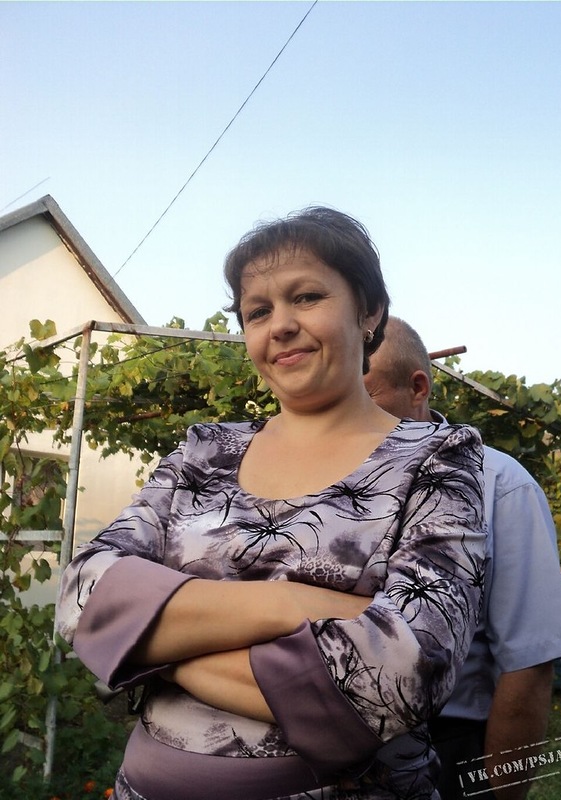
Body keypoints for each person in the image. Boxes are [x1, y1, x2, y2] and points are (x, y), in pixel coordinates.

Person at [56, 208, 487, 800]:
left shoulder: (436, 457)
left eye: (306, 297)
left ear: (368, 312)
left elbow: (402, 676)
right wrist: (292, 603)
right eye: (258, 311)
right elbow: (83, 595)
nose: (280, 325)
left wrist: (142, 643)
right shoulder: (205, 451)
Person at [364, 317, 561, 800]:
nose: (347, 413)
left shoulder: (498, 483)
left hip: (449, 750)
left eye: (365, 395)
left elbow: (528, 664)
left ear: (417, 388)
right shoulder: (333, 485)